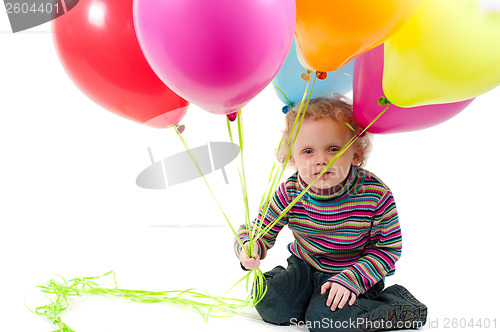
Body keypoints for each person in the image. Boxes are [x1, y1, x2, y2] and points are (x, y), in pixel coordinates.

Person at [234, 95, 427, 331]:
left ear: (356, 154)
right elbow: (259, 229)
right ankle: (301, 293)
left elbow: (388, 249)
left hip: (354, 273)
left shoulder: (375, 195)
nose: (322, 160)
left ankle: (399, 306)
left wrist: (353, 280)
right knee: (273, 306)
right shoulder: (290, 191)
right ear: (292, 159)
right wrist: (248, 247)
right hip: (306, 265)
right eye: (308, 151)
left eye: (333, 149)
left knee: (324, 321)